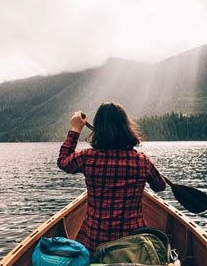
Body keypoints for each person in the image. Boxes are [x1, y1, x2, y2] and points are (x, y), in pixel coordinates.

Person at [57, 102, 166, 254]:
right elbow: (160, 186)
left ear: (98, 129)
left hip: (93, 243)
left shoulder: (87, 158)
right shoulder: (142, 160)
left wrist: (75, 129)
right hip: (133, 244)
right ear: (126, 127)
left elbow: (63, 161)